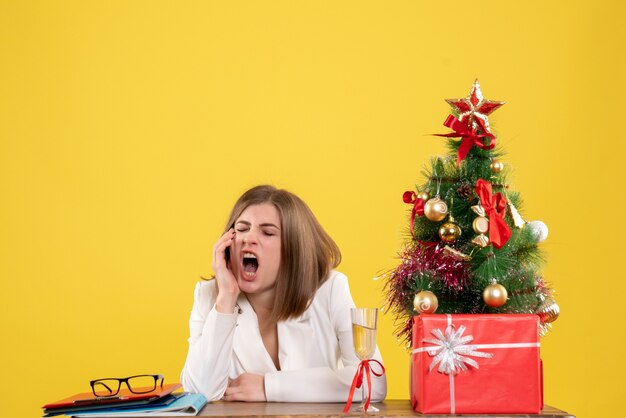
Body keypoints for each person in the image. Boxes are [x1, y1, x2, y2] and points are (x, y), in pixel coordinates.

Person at [180, 185, 386, 403]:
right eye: (241, 229)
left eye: (267, 232)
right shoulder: (210, 296)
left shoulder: (330, 288)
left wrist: (269, 387)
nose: (248, 238)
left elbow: (373, 380)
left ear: (293, 248)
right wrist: (226, 298)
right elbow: (199, 392)